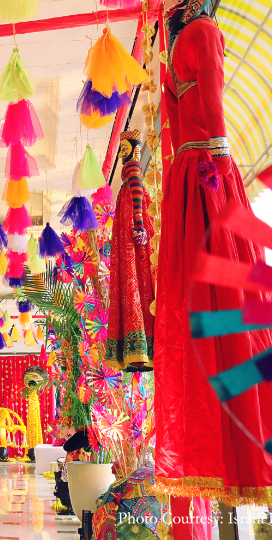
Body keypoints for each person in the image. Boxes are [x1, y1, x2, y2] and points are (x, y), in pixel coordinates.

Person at [152, 0, 272, 539]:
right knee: (219, 313)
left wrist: (202, 184)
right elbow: (202, 116)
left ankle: (224, 459)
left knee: (207, 314)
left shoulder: (186, 42)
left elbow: (193, 122)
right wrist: (211, 174)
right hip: (199, 179)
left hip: (193, 182)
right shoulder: (192, 37)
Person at [106, 130, 155, 371]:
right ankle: (140, 346)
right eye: (121, 150)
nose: (122, 155)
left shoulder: (133, 171)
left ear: (134, 150)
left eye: (125, 149)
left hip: (132, 236)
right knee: (134, 280)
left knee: (134, 278)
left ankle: (138, 346)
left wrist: (139, 224)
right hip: (130, 234)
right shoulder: (129, 176)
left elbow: (137, 195)